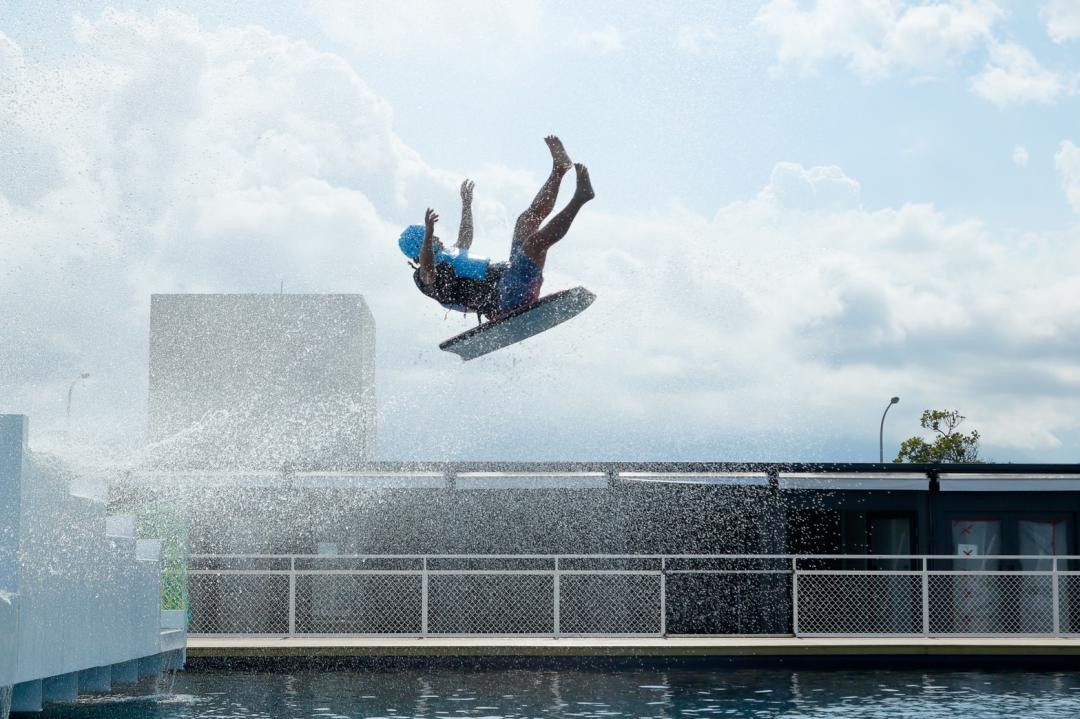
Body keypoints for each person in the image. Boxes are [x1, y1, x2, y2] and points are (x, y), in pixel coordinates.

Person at [398, 135, 595, 321]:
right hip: (505, 299)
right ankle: (579, 199)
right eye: (431, 238)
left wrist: (466, 205)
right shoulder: (425, 279)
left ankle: (559, 170)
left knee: (525, 222)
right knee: (535, 244)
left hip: (512, 276)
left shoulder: (448, 255)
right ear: (421, 246)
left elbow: (465, 239)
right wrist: (428, 234)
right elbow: (428, 269)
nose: (437, 239)